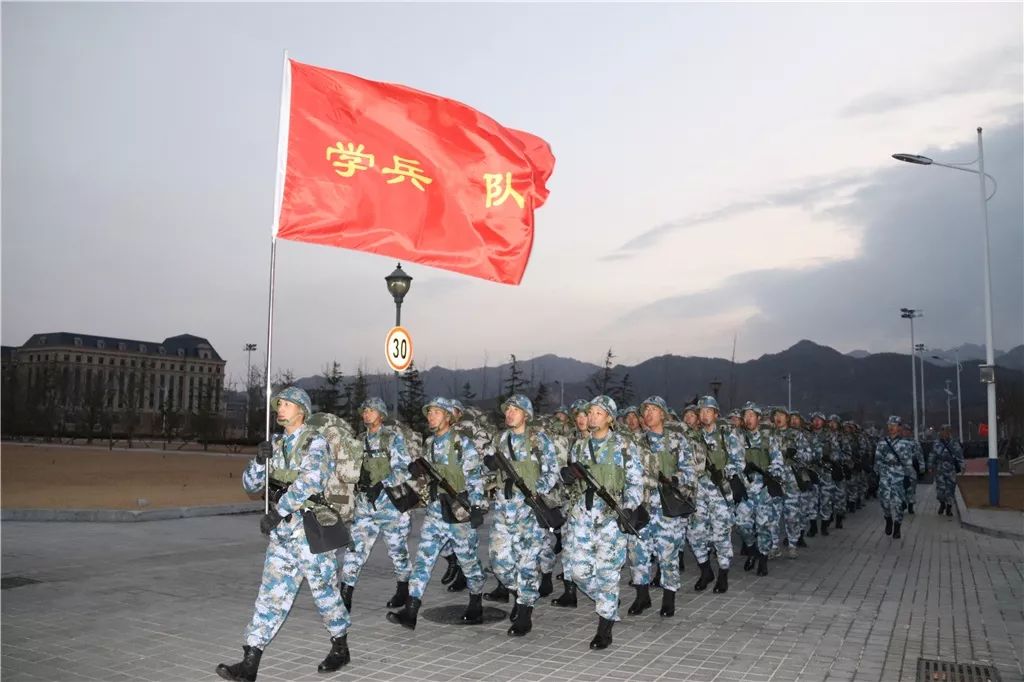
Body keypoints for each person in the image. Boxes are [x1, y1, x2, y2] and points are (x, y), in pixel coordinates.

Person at [216, 387, 350, 682]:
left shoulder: (316, 443)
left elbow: (311, 481)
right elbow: (250, 486)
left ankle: (340, 645)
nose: (280, 408)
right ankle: (250, 661)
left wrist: (280, 510)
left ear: (301, 410)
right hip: (283, 537)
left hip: (311, 532)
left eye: (287, 404)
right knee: (270, 596)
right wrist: (259, 461)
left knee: (325, 594)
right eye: (279, 404)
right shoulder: (274, 444)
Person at [387, 398, 486, 629]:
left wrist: (477, 507)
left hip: (459, 511)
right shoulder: (429, 443)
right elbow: (426, 479)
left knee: (469, 562)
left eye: (436, 412)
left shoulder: (463, 444)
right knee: (423, 561)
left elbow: (474, 478)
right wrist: (416, 472)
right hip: (435, 511)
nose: (430, 416)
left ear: (449, 416)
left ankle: (476, 602)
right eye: (429, 412)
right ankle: (410, 611)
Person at [561, 395, 644, 649]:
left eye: (599, 413)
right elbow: (572, 484)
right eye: (591, 412)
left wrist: (627, 509)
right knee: (577, 572)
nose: (593, 416)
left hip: (610, 519)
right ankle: (608, 600)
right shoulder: (579, 447)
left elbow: (635, 483)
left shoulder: (624, 446)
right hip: (582, 519)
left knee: (608, 574)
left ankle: (604, 627)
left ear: (609, 418)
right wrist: (567, 477)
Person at [482, 394, 560, 636]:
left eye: (515, 410)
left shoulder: (538, 440)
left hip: (529, 510)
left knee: (526, 563)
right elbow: (485, 471)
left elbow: (552, 471)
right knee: (499, 562)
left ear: (526, 414)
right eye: (507, 410)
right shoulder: (500, 439)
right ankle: (522, 593)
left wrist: (535, 492)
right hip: (504, 510)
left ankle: (525, 612)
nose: (509, 413)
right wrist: (488, 466)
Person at [338, 397, 413, 613]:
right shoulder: (358, 440)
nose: (366, 414)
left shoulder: (392, 438)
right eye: (364, 410)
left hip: (390, 505)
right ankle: (345, 594)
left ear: (381, 414)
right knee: (355, 549)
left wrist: (382, 484)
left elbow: (404, 469)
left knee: (397, 551)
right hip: (365, 505)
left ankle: (403, 589)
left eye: (370, 410)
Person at [626, 396, 693, 618]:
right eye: (646, 410)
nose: (649, 414)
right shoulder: (636, 442)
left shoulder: (677, 441)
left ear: (663, 414)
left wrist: (675, 479)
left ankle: (668, 598)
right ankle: (642, 597)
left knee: (668, 555)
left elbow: (690, 472)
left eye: (654, 410)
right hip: (643, 507)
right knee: (638, 553)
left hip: (667, 509)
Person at [687, 396, 744, 594]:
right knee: (694, 533)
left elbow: (739, 461)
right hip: (700, 492)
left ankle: (723, 574)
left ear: (716, 414)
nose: (704, 414)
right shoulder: (694, 436)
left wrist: (725, 472)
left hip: (721, 493)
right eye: (701, 411)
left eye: (708, 411)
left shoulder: (727, 434)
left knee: (721, 536)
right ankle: (705, 570)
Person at [735, 402, 785, 576]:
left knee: (764, 526)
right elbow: (734, 460)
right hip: (747, 489)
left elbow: (778, 461)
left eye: (751, 415)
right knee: (741, 523)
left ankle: (763, 559)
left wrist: (769, 474)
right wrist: (740, 472)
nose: (748, 419)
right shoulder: (738, 438)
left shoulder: (768, 438)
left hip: (764, 488)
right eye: (745, 416)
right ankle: (752, 549)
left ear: (758, 418)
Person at [875, 416, 916, 539]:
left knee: (898, 504)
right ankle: (888, 519)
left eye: (894, 425)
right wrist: (877, 474)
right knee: (884, 502)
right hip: (884, 475)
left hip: (899, 476)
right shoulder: (882, 443)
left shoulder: (905, 444)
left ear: (899, 427)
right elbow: (877, 460)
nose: (891, 427)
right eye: (889, 425)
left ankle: (897, 526)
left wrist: (908, 477)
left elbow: (908, 462)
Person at [929, 424, 964, 516]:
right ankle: (942, 504)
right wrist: (930, 465)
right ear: (941, 432)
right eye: (944, 431)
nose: (945, 433)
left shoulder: (954, 443)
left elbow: (959, 454)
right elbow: (932, 455)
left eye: (947, 431)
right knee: (941, 490)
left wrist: (962, 465)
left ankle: (949, 507)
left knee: (950, 489)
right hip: (940, 468)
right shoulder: (936, 443)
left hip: (951, 468)